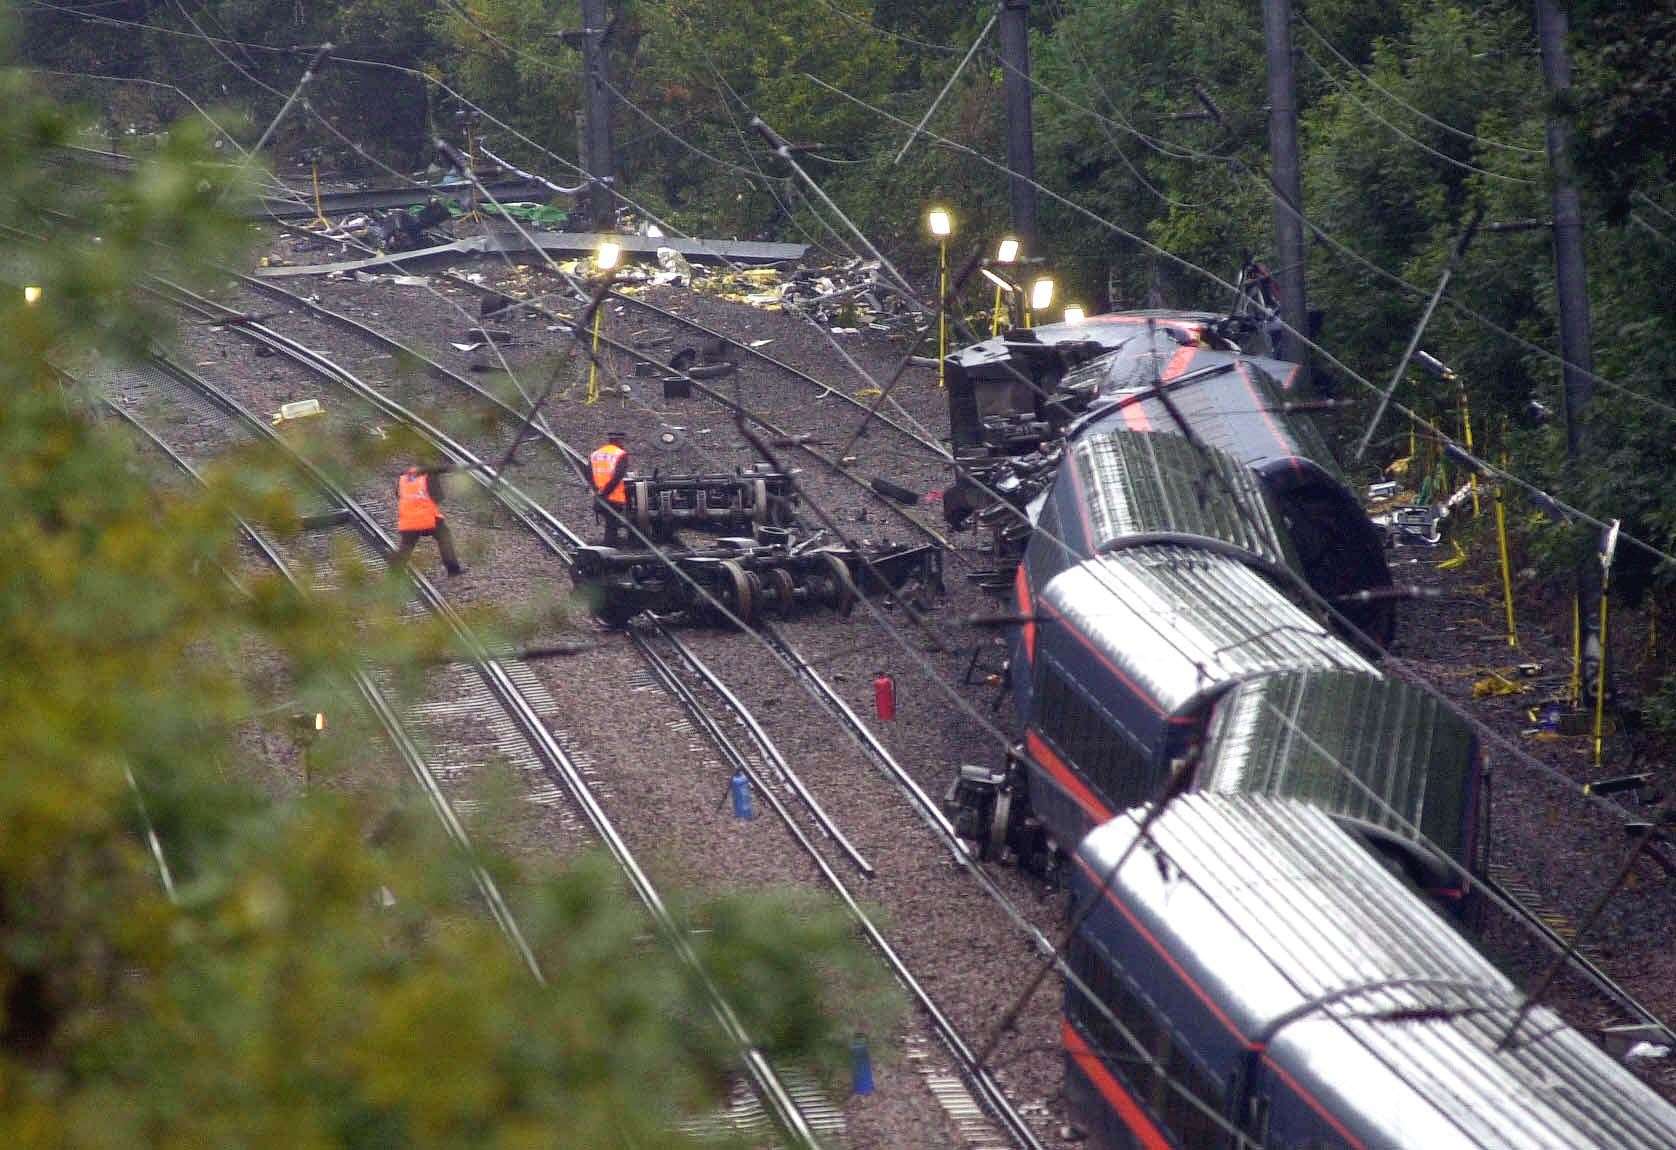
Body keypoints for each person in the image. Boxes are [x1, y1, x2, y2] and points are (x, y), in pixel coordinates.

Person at [392, 464, 464, 575]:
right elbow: (438, 497)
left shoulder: (404, 477)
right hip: (429, 519)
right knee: (444, 537)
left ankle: (394, 574)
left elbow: (398, 494)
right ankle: (453, 570)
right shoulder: (429, 475)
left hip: (408, 521)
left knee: (406, 547)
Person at [590, 433, 632, 546]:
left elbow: (589, 475)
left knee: (610, 523)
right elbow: (618, 476)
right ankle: (610, 547)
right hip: (614, 496)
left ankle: (609, 544)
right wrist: (605, 492)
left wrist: (598, 491)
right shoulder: (621, 454)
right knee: (612, 523)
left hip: (599, 495)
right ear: (619, 441)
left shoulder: (595, 454)